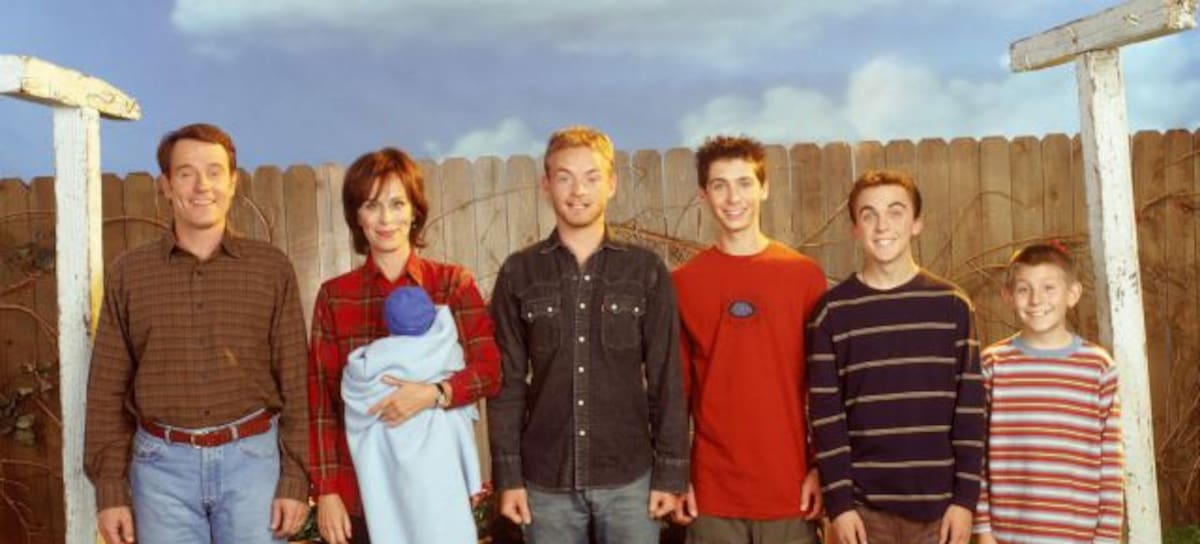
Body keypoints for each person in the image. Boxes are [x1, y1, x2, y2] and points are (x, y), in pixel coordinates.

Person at [85, 123, 310, 544]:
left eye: (214, 171)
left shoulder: (270, 268)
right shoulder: (130, 274)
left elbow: (297, 381)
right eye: (186, 173)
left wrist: (295, 477)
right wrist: (110, 490)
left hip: (254, 465)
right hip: (160, 473)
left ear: (233, 182)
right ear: (166, 186)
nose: (202, 185)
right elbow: (106, 390)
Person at [487, 125, 689, 544]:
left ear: (611, 184)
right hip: (545, 482)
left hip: (630, 479)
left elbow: (667, 378)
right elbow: (507, 386)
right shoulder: (518, 272)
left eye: (591, 177)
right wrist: (509, 477)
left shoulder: (646, 271)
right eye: (564, 177)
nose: (578, 190)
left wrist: (670, 473)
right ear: (546, 185)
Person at [307, 147, 501, 544]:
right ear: (357, 216)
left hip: (436, 488)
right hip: (360, 491)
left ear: (415, 211)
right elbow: (321, 400)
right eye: (371, 205)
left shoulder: (452, 284)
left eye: (397, 204)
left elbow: (490, 370)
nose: (385, 219)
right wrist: (327, 491)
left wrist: (434, 393)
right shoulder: (335, 296)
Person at [807, 169, 985, 544]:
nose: (882, 225)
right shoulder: (831, 314)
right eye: (868, 214)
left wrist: (965, 501)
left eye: (895, 212)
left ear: (917, 223)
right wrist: (840, 506)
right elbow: (826, 418)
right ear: (855, 229)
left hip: (941, 513)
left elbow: (970, 411)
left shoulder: (952, 306)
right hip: (863, 516)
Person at [671, 135, 827, 543]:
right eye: (719, 185)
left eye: (744, 183)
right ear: (703, 194)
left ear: (764, 188)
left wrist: (820, 467)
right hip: (711, 495)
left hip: (790, 489)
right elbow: (674, 395)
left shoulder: (804, 276)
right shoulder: (683, 284)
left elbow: (824, 388)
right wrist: (675, 475)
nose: (733, 197)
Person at [972, 243, 1123, 544]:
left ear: (1073, 294)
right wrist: (984, 531)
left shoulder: (1098, 367)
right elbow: (976, 455)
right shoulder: (992, 365)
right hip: (1006, 535)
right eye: (1024, 289)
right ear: (1008, 296)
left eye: (1049, 288)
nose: (1036, 299)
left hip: (1078, 536)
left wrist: (1106, 538)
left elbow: (1111, 466)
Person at [340, 286, 482, 544]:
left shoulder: (369, 367)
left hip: (389, 471)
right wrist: (472, 478)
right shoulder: (446, 354)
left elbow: (357, 415)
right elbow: (462, 419)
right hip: (441, 469)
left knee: (396, 528)